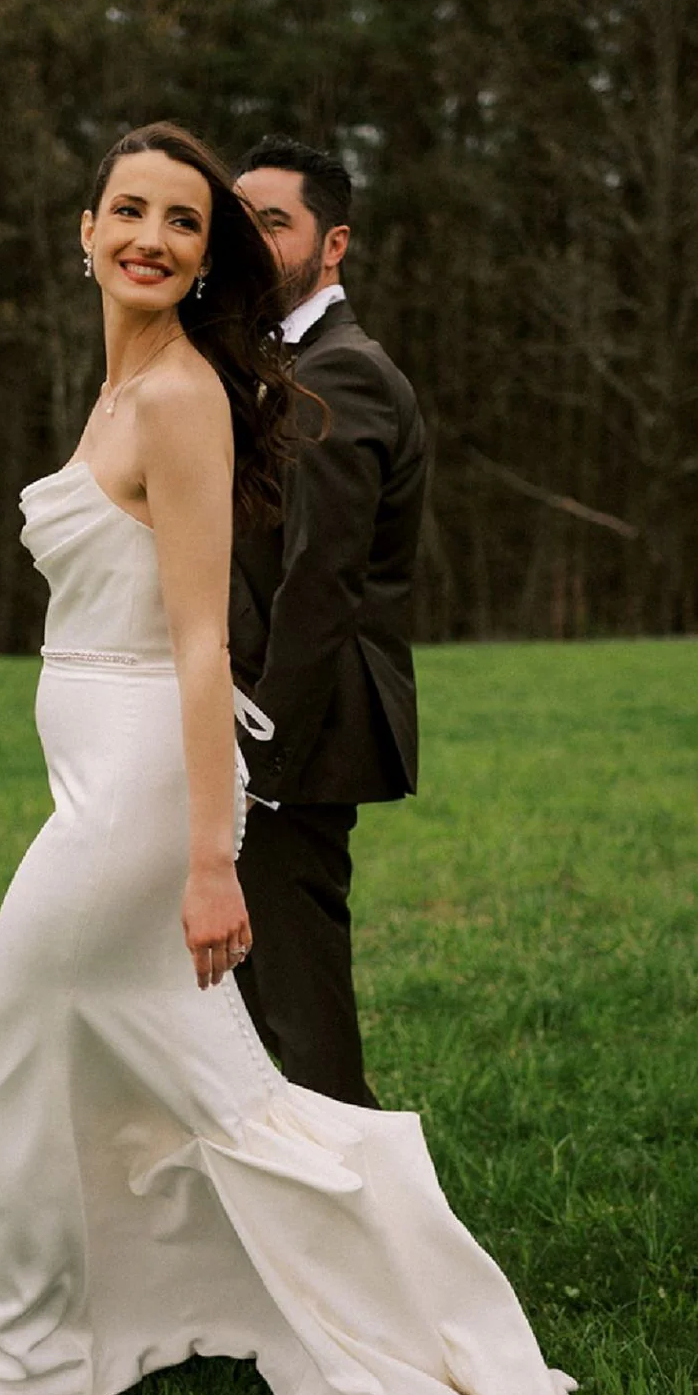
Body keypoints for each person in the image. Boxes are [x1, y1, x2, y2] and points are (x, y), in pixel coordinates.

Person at [0, 122, 584, 1395]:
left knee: (15, 1053)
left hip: (144, 791)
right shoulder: (117, 390)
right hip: (95, 767)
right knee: (194, 1084)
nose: (152, 235)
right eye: (127, 210)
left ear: (207, 262)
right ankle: (333, 1340)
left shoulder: (185, 398)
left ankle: (28, 1366)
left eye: (185, 223)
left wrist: (214, 857)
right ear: (81, 232)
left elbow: (204, 640)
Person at [230, 136, 427, 1108]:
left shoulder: (339, 371)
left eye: (275, 222)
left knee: (302, 1026)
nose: (251, 241)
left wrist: (255, 764)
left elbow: (320, 584)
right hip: (264, 733)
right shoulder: (276, 362)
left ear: (332, 242)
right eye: (242, 222)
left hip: (295, 740)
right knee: (247, 1010)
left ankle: (364, 1237)